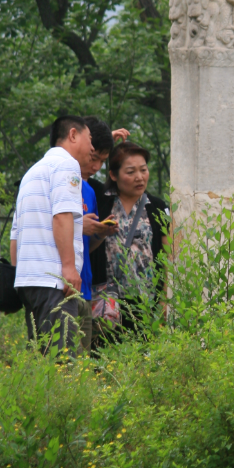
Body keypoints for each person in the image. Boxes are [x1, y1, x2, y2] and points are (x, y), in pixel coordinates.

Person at [10, 115, 96, 354]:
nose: (92, 147)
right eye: (90, 140)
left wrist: (18, 279)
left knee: (41, 363)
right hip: (54, 282)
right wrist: (69, 268)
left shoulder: (32, 173)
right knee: (61, 365)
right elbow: (62, 216)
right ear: (73, 135)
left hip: (30, 283)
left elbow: (15, 234)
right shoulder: (67, 165)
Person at [91, 141, 169, 340]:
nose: (139, 177)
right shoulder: (100, 202)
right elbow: (79, 162)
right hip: (107, 301)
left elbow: (168, 257)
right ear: (113, 175)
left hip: (145, 302)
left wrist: (164, 299)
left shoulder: (157, 207)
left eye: (143, 170)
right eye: (131, 172)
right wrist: (107, 138)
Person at [77, 116, 130, 352]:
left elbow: (87, 246)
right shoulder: (53, 181)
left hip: (85, 288)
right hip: (59, 288)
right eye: (93, 157)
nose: (96, 166)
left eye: (102, 160)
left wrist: (99, 233)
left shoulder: (89, 190)